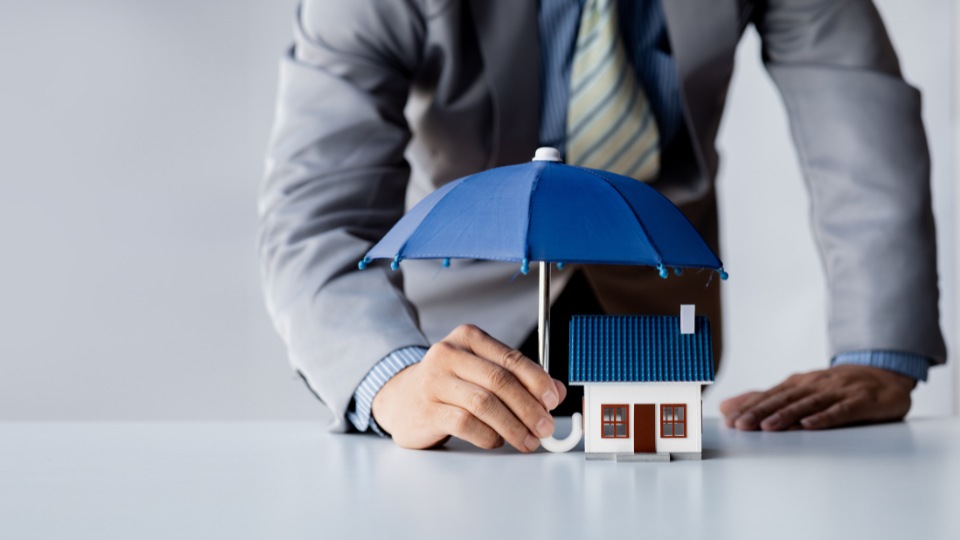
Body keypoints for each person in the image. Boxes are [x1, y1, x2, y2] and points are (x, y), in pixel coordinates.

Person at [258, 0, 946, 452]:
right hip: (456, 339)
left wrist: (877, 351)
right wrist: (390, 376)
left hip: (656, 299)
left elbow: (859, 121)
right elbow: (319, 209)